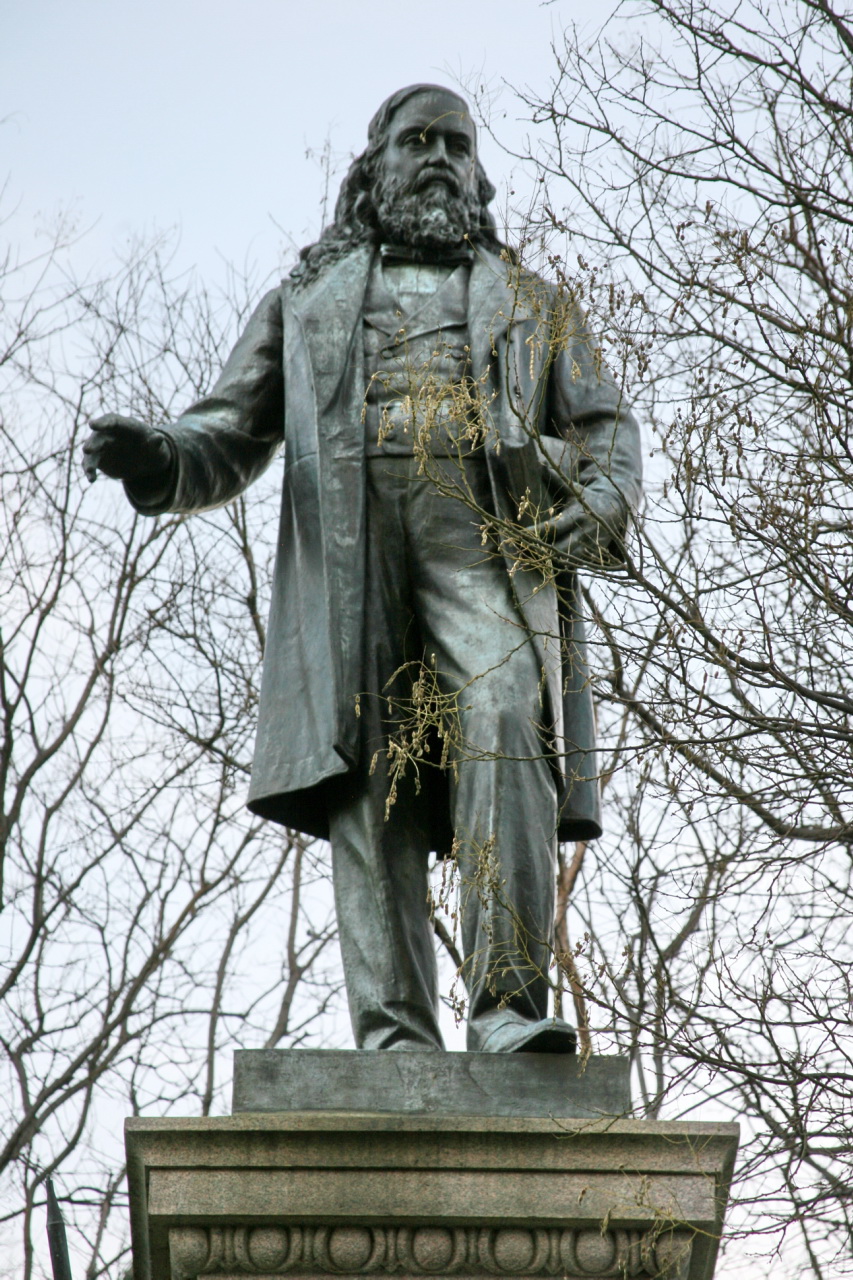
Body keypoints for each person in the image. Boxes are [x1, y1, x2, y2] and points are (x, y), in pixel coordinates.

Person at [83, 84, 642, 1054]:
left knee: (505, 712)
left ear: (477, 174)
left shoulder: (536, 304)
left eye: (455, 145)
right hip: (353, 550)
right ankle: (393, 1034)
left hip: (485, 536)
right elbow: (228, 427)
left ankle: (508, 1002)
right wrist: (161, 458)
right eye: (416, 141)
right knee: (369, 762)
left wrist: (597, 499)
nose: (437, 158)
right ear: (371, 169)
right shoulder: (308, 300)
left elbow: (606, 432)